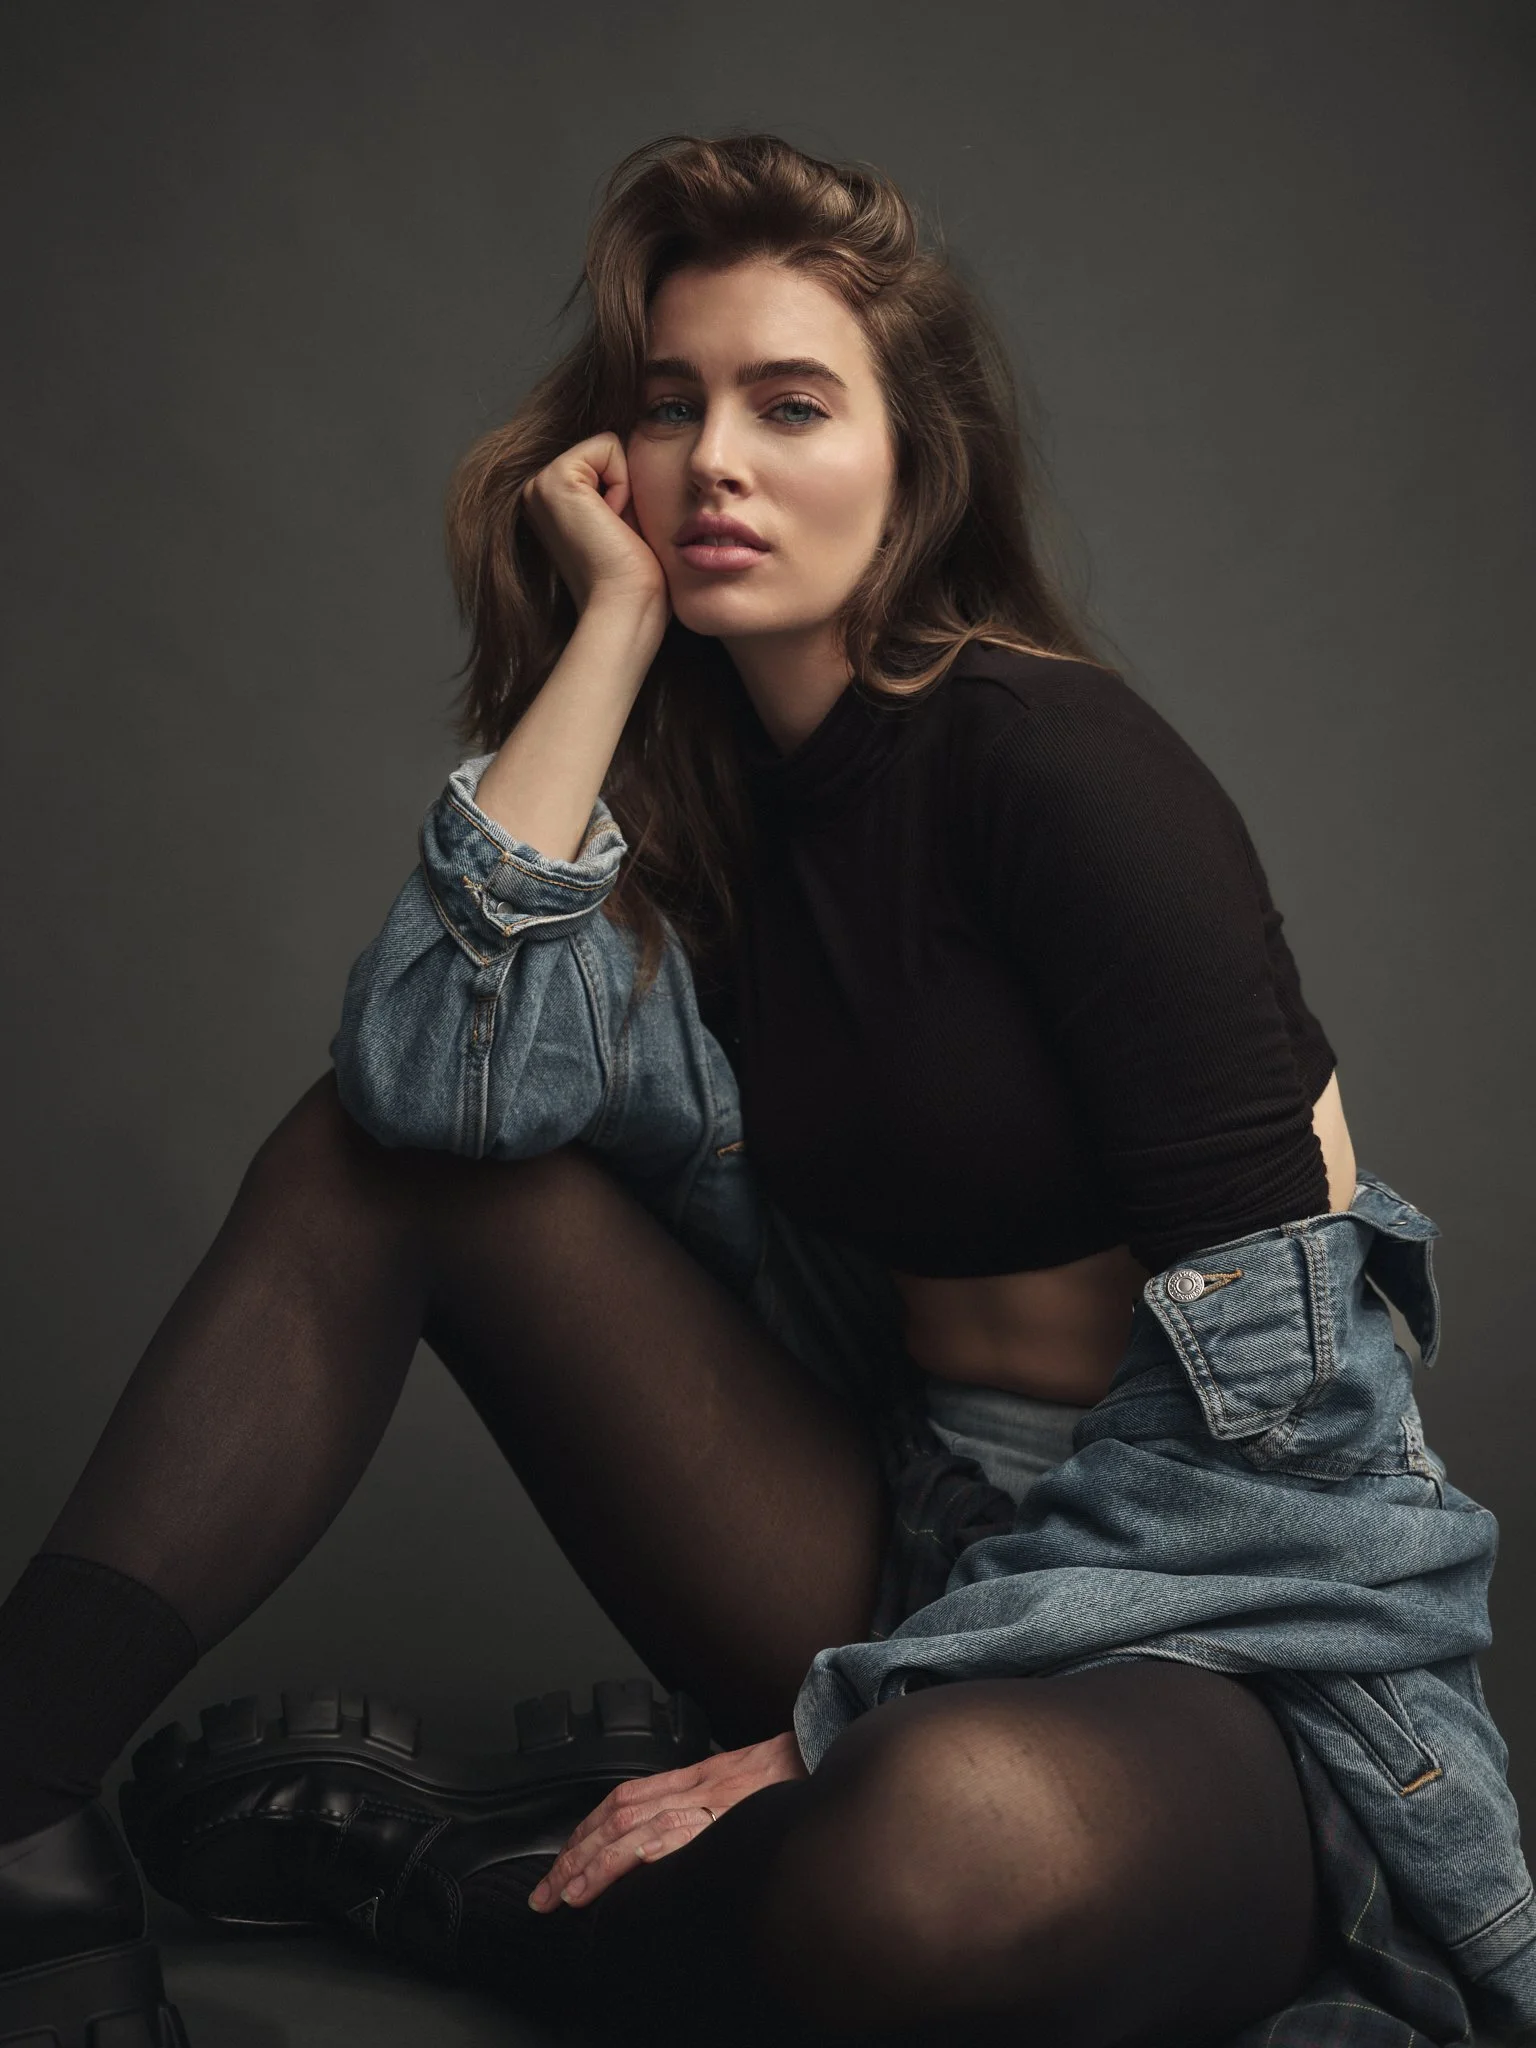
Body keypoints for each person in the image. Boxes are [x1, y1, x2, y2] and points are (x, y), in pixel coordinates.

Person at [0, 130, 1530, 2048]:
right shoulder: (690, 805)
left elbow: (1297, 1442)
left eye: (790, 405)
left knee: (931, 1860)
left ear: (915, 461)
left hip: (1208, 1621)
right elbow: (417, 1091)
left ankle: (445, 1885)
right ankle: (16, 1803)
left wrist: (841, 1722)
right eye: (671, 405)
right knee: (376, 1162)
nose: (714, 457)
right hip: (887, 1525)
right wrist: (612, 637)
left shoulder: (1063, 770)